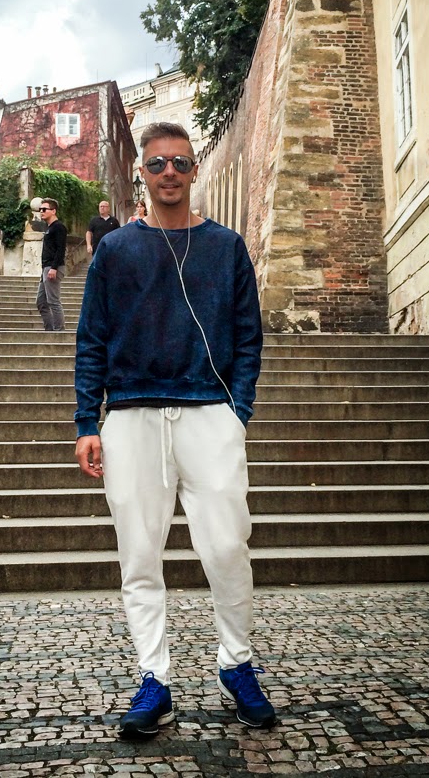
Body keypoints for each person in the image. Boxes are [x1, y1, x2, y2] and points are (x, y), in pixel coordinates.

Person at [74, 121, 275, 739]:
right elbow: (91, 338)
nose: (169, 173)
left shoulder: (226, 247)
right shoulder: (115, 250)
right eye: (157, 163)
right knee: (139, 556)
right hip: (131, 415)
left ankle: (236, 664)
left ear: (193, 171)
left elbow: (248, 336)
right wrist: (87, 420)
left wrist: (237, 412)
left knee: (227, 547)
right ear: (142, 172)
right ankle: (154, 679)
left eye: (180, 163)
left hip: (209, 414)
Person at [36, 198, 67, 331]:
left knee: (53, 301)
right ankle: (49, 330)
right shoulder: (49, 228)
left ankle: (59, 332)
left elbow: (61, 249)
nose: (41, 212)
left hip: (53, 267)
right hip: (46, 267)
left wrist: (54, 268)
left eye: (44, 209)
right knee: (41, 302)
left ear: (53, 211)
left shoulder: (58, 227)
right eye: (40, 209)